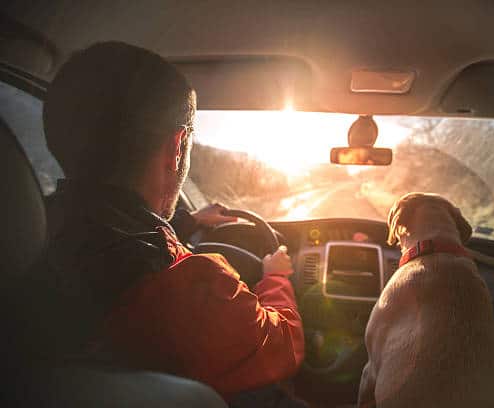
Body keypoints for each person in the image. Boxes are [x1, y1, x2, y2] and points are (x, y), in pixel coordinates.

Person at [41, 41, 305, 405]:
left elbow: (114, 237)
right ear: (178, 147)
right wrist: (276, 276)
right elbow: (284, 345)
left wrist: (190, 221)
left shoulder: (33, 235)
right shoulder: (188, 291)